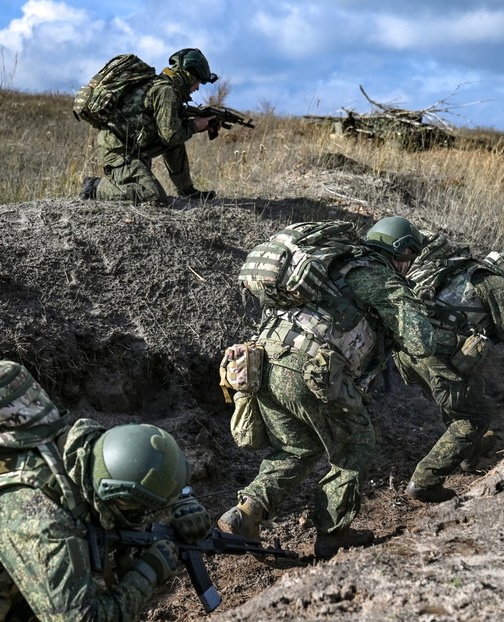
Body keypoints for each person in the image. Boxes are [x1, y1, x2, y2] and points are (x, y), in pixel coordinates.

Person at [216, 216, 439, 559]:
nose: (408, 267)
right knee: (355, 447)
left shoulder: (328, 262)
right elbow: (421, 340)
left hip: (262, 361)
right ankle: (333, 532)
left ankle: (246, 513)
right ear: (400, 252)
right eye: (409, 259)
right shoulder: (377, 274)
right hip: (309, 370)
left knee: (297, 447)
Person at [0, 418, 210, 621]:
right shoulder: (46, 527)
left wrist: (183, 501)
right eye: (141, 511)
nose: (142, 519)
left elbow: (143, 463)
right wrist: (146, 573)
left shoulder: (70, 449)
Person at [398, 242, 504, 503]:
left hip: (408, 352)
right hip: (439, 358)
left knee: (462, 402)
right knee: (474, 418)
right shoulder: (499, 286)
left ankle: (470, 451)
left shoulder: (469, 267)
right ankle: (425, 482)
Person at [80, 48, 218, 204]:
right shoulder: (166, 91)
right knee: (153, 195)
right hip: (119, 152)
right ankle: (95, 187)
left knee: (176, 141)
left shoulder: (164, 87)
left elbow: (169, 132)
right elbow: (171, 136)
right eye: (197, 82)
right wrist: (194, 126)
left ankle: (187, 191)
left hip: (133, 148)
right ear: (188, 76)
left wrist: (195, 123)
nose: (197, 88)